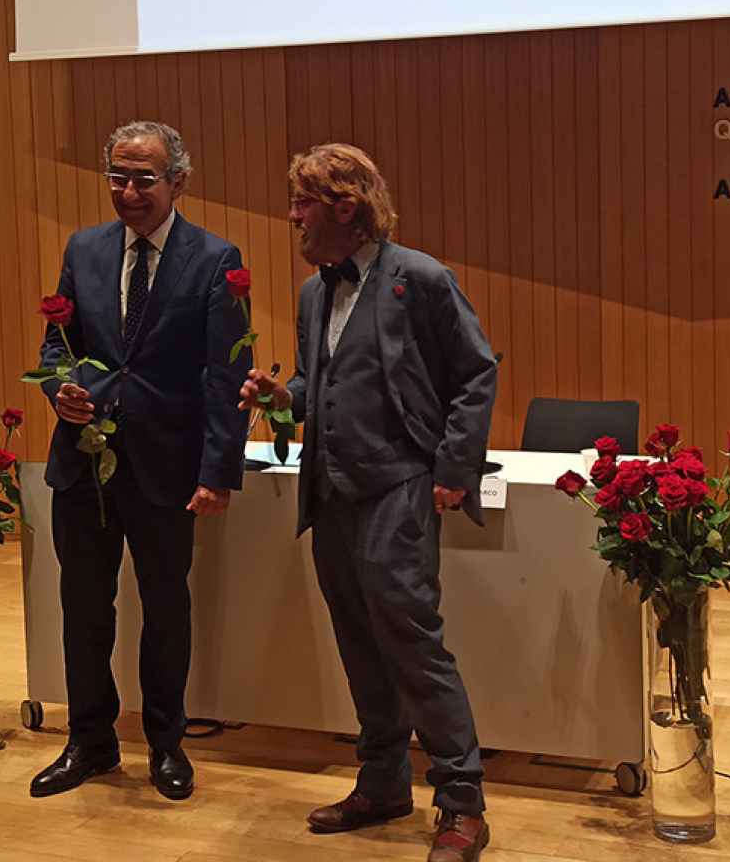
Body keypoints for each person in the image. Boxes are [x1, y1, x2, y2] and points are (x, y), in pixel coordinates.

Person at [239, 144, 497, 861]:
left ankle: (462, 802)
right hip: (332, 495)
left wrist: (453, 467)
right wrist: (279, 398)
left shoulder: (421, 278)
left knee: (413, 645)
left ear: (344, 207)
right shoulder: (313, 292)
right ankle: (383, 783)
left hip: (398, 490)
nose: (292, 216)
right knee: (360, 646)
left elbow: (477, 373)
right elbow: (322, 391)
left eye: (303, 202)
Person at [30, 121, 251, 801]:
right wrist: (58, 390)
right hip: (82, 466)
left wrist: (219, 472)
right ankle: (90, 742)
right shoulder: (84, 249)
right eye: (118, 177)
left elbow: (229, 372)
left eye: (144, 179)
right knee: (85, 608)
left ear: (179, 181)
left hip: (168, 468)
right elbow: (56, 348)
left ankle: (165, 744)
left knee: (164, 609)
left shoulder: (216, 260)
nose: (129, 192)